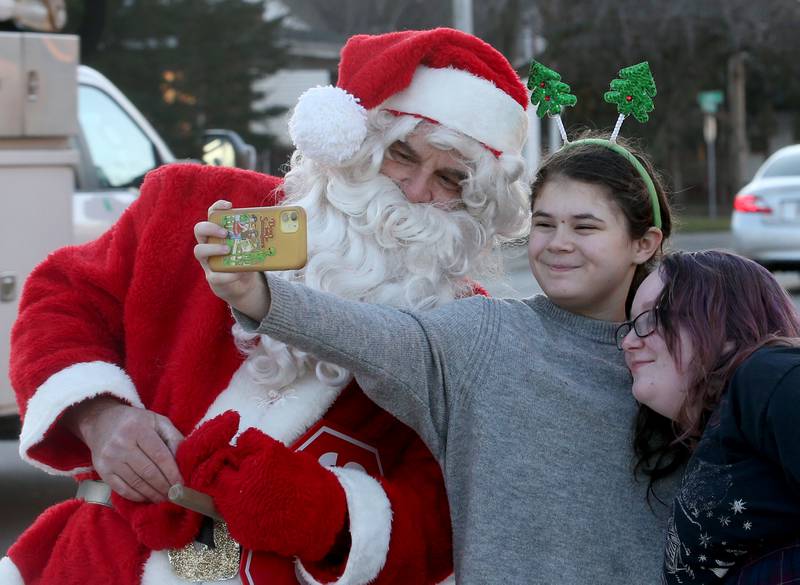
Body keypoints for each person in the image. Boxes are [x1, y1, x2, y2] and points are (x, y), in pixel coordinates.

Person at [0, 28, 533, 585]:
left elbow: (446, 517)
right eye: (400, 154)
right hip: (100, 565)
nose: (415, 189)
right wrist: (100, 415)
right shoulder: (192, 203)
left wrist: (325, 514)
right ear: (352, 142)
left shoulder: (467, 330)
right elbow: (60, 297)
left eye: (449, 178)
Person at [194, 132, 678, 583]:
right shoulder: (485, 333)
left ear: (644, 243)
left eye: (585, 226)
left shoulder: (690, 351)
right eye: (545, 224)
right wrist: (257, 294)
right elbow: (367, 335)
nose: (559, 244)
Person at [618, 250, 800, 584]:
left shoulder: (769, 374)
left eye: (648, 319)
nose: (628, 342)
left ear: (724, 317)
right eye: (629, 326)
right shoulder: (725, 424)